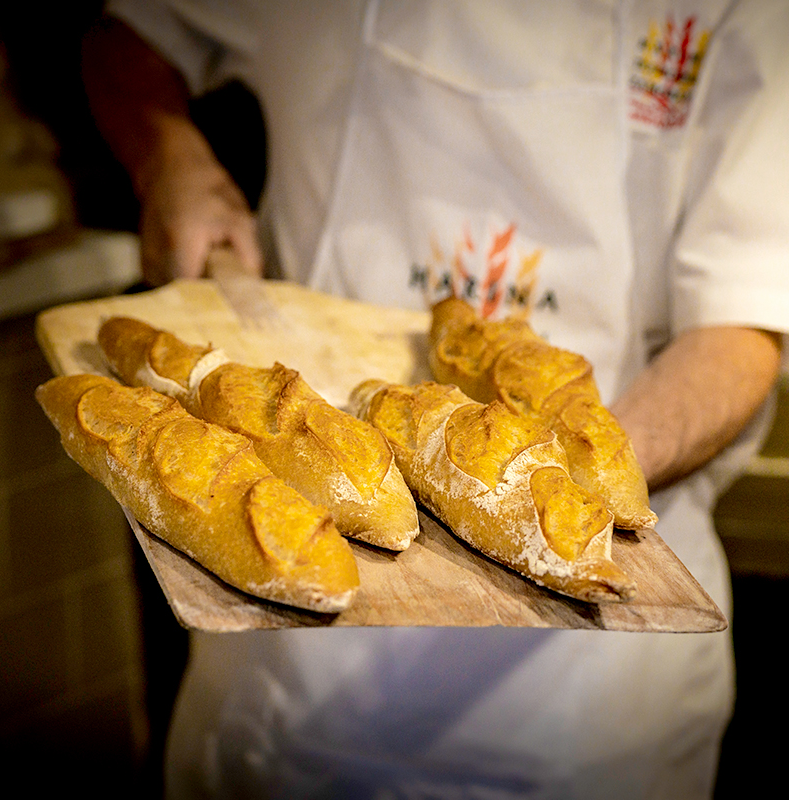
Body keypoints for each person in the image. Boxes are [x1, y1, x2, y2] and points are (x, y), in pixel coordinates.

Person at [82, 2, 789, 798]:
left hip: (589, 710)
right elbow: (125, 32)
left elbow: (742, 328)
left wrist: (569, 481)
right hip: (287, 670)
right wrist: (170, 158)